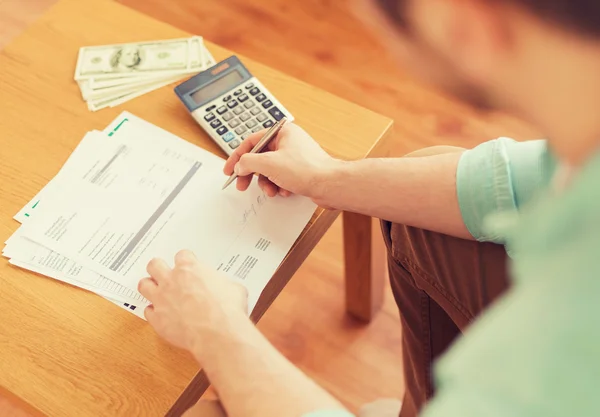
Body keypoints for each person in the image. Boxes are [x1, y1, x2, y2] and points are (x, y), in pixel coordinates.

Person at [137, 0, 600, 416]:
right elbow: (513, 180)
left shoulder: (568, 332)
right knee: (426, 186)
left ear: (466, 26)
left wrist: (216, 330)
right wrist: (324, 177)